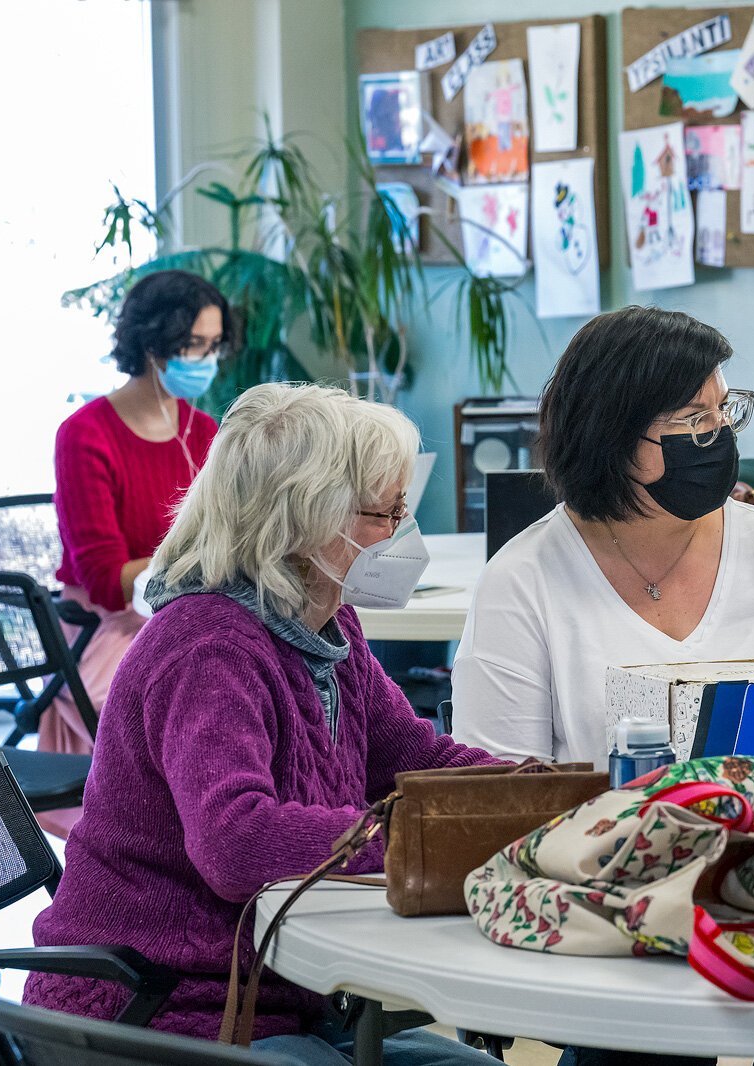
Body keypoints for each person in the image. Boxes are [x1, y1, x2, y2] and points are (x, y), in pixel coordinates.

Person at [25, 383, 504, 1065]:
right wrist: (424, 837)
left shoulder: (329, 626)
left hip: (270, 995)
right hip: (158, 1012)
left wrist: (551, 797)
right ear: (308, 519)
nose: (400, 532)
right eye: (385, 512)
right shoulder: (207, 647)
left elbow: (417, 758)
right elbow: (237, 841)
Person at [452, 305, 754, 771]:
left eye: (722, 409)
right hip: (598, 841)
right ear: (611, 436)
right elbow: (503, 795)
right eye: (694, 418)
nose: (720, 433)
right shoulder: (521, 581)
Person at [44, 270, 228, 793]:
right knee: (203, 706)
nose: (206, 361)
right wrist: (207, 557)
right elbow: (105, 580)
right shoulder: (85, 435)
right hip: (108, 629)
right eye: (193, 345)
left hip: (188, 616)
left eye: (213, 346)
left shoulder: (205, 430)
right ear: (152, 341)